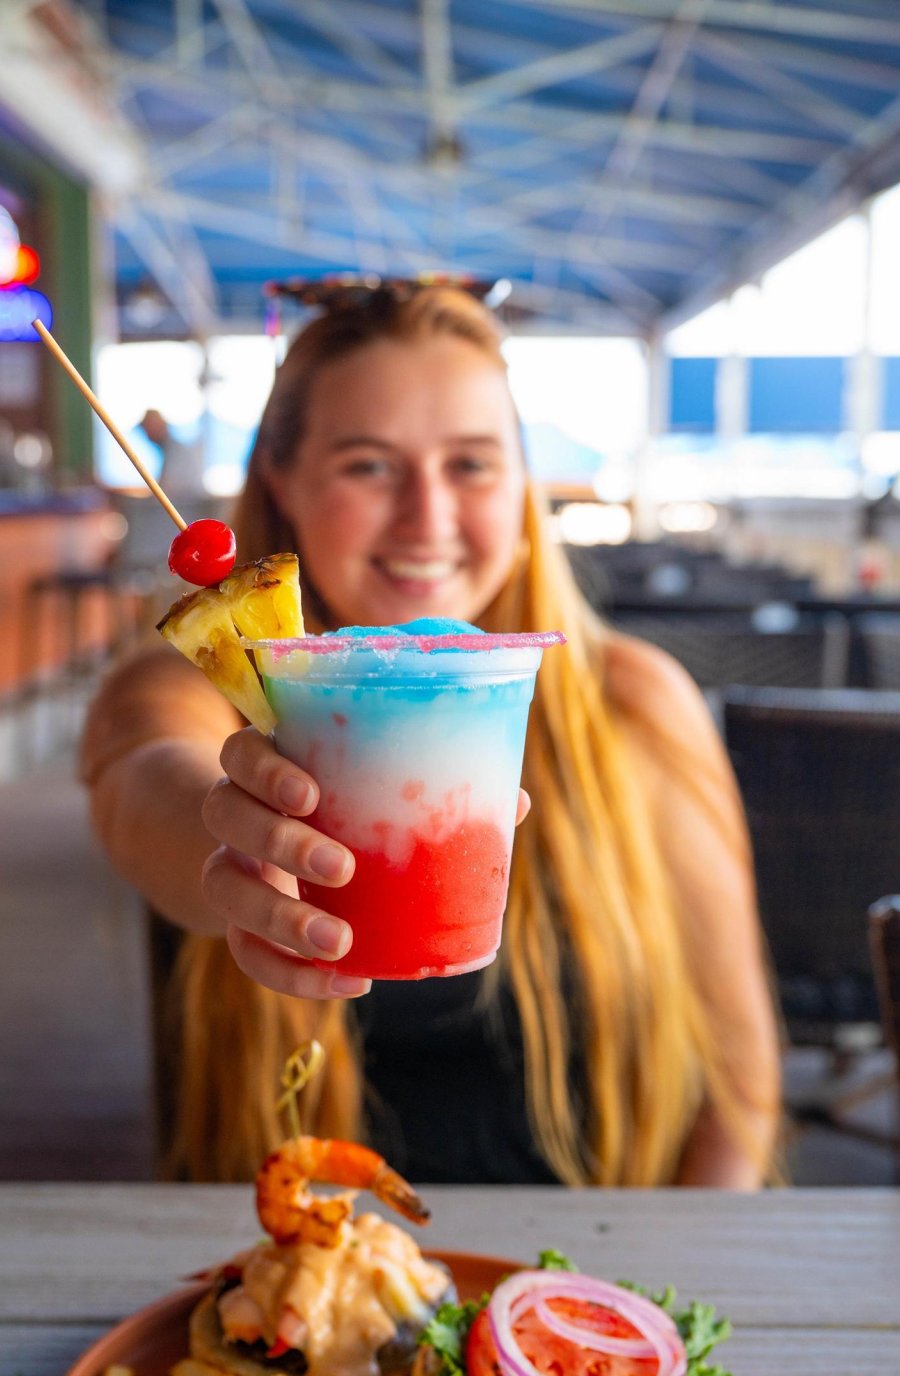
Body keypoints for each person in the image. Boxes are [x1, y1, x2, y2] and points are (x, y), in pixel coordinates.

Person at [82, 284, 781, 1189]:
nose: (427, 516)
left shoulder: (632, 704)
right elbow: (149, 782)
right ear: (282, 483)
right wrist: (235, 838)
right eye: (368, 465)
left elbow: (737, 1084)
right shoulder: (198, 688)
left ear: (522, 487)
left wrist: (646, 1301)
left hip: (579, 1269)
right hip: (302, 1276)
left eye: (472, 465)